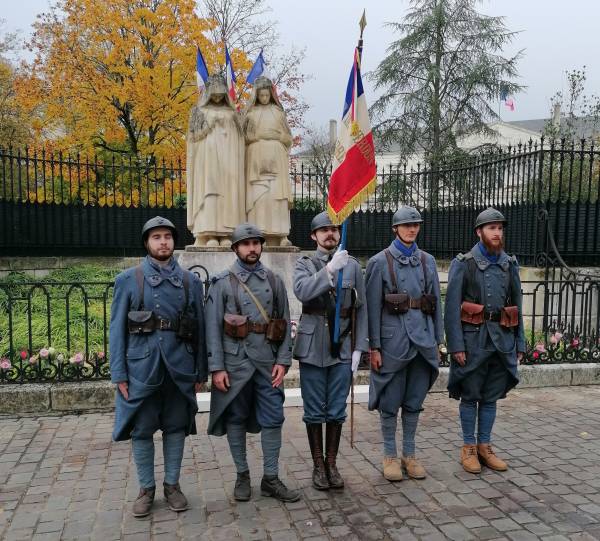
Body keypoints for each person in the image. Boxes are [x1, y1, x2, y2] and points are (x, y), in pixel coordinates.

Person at [109, 216, 206, 517]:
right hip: (142, 368)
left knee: (176, 427)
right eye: (156, 237)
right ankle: (146, 488)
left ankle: (172, 485)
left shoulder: (191, 281)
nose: (163, 241)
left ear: (174, 241)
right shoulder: (129, 279)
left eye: (167, 236)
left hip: (179, 367)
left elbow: (201, 329)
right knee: (142, 429)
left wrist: (200, 372)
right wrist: (119, 373)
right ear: (147, 243)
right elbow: (116, 330)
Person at [205, 223, 300, 502]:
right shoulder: (221, 282)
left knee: (273, 418)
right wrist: (217, 368)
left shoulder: (274, 280)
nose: (252, 248)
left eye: (256, 243)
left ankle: (270, 478)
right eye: (246, 244)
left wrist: (283, 361)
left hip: (267, 363)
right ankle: (242, 474)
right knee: (235, 418)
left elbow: (285, 321)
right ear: (235, 248)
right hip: (235, 365)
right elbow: (212, 328)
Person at [445, 207, 525, 474]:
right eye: (492, 228)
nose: (497, 233)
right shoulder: (464, 263)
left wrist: (520, 343)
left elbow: (517, 304)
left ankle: (485, 446)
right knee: (470, 395)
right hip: (472, 340)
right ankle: (468, 447)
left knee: (490, 397)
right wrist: (456, 345)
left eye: (500, 228)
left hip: (501, 340)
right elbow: (452, 307)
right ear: (479, 232)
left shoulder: (509, 264)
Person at [292, 211, 369, 490]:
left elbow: (362, 309)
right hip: (313, 346)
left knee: (336, 409)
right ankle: (317, 466)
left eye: (335, 229)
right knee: (314, 410)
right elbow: (302, 291)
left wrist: (360, 348)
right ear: (313, 236)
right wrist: (328, 271)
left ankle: (332, 464)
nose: (330, 234)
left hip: (343, 347)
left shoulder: (353, 266)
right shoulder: (304, 263)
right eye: (323, 230)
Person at [366, 207, 443, 482]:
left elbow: (435, 303)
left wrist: (437, 340)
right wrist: (373, 347)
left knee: (414, 400)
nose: (412, 229)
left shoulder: (427, 261)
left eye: (416, 225)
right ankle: (389, 456)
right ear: (395, 228)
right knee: (390, 400)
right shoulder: (379, 262)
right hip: (392, 342)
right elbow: (373, 308)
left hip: (422, 340)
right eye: (407, 225)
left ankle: (409, 455)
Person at [186, 74, 245, 247]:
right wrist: (210, 125)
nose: (218, 97)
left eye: (221, 94)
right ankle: (208, 232)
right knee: (209, 193)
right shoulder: (198, 111)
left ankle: (226, 232)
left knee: (227, 194)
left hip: (228, 159)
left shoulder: (232, 113)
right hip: (207, 159)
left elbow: (240, 139)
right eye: (215, 94)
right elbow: (193, 137)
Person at [243, 76, 293, 247]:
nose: (264, 98)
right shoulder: (250, 114)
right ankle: (259, 233)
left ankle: (281, 235)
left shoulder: (278, 113)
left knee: (277, 196)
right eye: (261, 95)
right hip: (256, 157)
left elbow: (288, 137)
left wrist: (278, 136)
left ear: (270, 94)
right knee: (260, 197)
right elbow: (244, 138)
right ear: (256, 95)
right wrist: (260, 137)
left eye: (266, 95)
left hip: (277, 157)